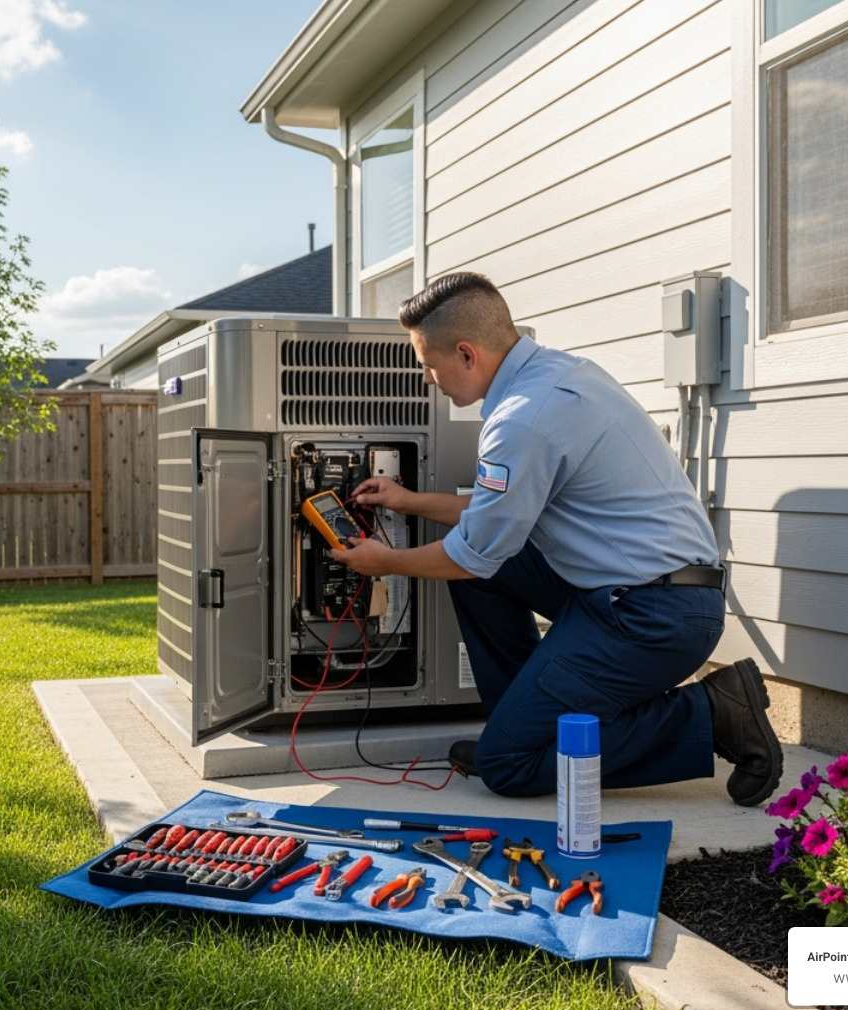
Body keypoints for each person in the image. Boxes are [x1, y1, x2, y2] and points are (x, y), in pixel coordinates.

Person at [329, 272, 783, 805]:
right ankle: (522, 722)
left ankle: (712, 712)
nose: (428, 378)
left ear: (468, 354)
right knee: (487, 574)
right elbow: (501, 514)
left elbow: (474, 551)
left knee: (508, 767)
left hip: (653, 617)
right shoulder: (558, 375)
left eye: (429, 364)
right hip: (641, 591)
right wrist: (409, 501)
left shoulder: (524, 419)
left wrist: (387, 562)